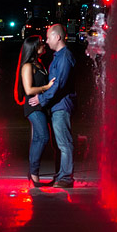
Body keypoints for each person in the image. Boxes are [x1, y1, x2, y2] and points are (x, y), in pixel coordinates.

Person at [28, 23, 76, 188]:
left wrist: (41, 99)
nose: (46, 41)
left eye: (48, 38)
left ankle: (66, 178)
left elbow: (58, 85)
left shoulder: (64, 57)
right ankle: (62, 175)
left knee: (64, 143)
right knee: (60, 143)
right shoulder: (59, 57)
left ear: (57, 37)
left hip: (61, 106)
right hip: (56, 106)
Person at [14, 36, 55, 187]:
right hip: (33, 106)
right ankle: (33, 173)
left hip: (41, 106)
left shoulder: (39, 64)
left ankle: (33, 175)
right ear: (33, 47)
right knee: (43, 137)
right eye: (41, 44)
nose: (44, 45)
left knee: (39, 138)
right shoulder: (27, 66)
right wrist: (47, 87)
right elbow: (29, 89)